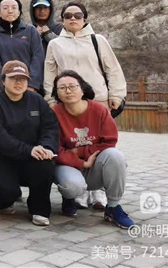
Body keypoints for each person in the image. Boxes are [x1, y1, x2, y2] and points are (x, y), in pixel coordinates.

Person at [43, 1, 127, 210]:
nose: (73, 19)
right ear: (62, 20)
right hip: (66, 101)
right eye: (68, 15)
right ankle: (78, 190)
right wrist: (51, 100)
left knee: (98, 143)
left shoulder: (97, 40)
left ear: (85, 18)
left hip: (97, 98)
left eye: (78, 15)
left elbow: (113, 69)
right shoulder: (55, 44)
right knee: (72, 142)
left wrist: (116, 94)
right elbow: (50, 74)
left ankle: (99, 191)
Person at [51, 71, 134, 229]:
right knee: (72, 186)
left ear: (82, 89)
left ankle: (113, 207)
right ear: (57, 93)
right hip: (68, 165)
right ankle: (69, 197)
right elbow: (55, 148)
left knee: (115, 156)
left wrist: (80, 152)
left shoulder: (99, 110)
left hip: (95, 162)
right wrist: (81, 161)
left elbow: (109, 140)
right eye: (62, 88)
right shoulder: (53, 113)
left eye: (72, 86)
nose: (68, 91)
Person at [0, 60, 58, 226]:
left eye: (23, 79)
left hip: (33, 156)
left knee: (45, 165)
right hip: (3, 158)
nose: (19, 83)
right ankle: (5, 200)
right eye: (13, 78)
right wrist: (28, 150)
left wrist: (46, 148)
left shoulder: (37, 100)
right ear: (3, 80)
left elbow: (50, 127)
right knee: (6, 192)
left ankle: (39, 210)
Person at [0, 0, 45, 94]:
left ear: (19, 12)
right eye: (5, 8)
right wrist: (3, 86)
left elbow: (38, 58)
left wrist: (32, 85)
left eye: (14, 7)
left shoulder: (30, 31)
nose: (10, 11)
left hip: (29, 86)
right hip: (5, 88)